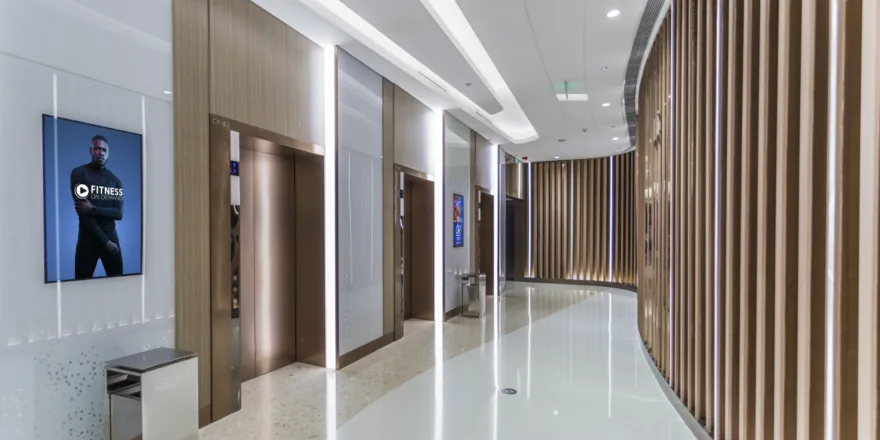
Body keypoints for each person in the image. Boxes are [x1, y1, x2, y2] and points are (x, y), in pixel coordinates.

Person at [70, 135, 124, 279]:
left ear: (108, 153)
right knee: (80, 289)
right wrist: (106, 242)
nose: (100, 152)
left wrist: (93, 209)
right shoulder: (79, 173)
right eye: (97, 149)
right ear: (91, 150)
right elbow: (84, 214)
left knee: (119, 286)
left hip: (112, 240)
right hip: (88, 240)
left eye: (103, 150)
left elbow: (118, 214)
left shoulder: (115, 181)